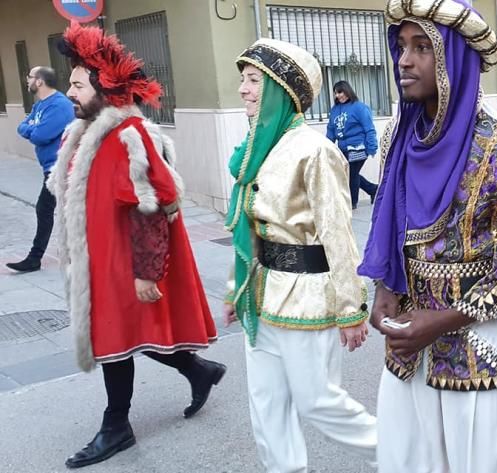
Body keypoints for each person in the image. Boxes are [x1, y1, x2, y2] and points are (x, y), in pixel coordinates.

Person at [362, 1, 497, 472]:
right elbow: (389, 229)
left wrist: (443, 320)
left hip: (478, 356)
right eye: (401, 46)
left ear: (453, 59)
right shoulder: (399, 138)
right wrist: (385, 290)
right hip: (409, 349)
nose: (403, 61)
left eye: (421, 47)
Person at [50, 23, 224, 469]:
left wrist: (147, 270)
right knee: (125, 336)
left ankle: (116, 426)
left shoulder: (128, 134)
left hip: (125, 261)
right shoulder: (85, 132)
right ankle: (198, 369)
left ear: (102, 86)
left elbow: (156, 203)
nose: (69, 91)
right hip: (99, 259)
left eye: (76, 84)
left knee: (115, 339)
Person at [224, 39, 378, 472]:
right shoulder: (258, 148)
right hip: (263, 295)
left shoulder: (314, 150)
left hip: (307, 297)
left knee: (318, 404)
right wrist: (236, 288)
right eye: (243, 80)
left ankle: (406, 456)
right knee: (267, 406)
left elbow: (337, 231)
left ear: (280, 89)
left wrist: (351, 307)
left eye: (254, 81)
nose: (243, 89)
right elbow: (248, 228)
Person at [7, 66, 74, 273]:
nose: (27, 81)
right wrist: (31, 129)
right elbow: (22, 126)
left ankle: (35, 259)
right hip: (50, 168)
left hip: (61, 168)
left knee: (45, 209)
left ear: (39, 81)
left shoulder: (60, 106)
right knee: (65, 211)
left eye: (29, 77)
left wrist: (31, 130)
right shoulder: (40, 106)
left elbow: (39, 136)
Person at [327, 80, 379, 209]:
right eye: (336, 93)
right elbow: (331, 130)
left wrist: (372, 147)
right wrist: (327, 147)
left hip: (358, 147)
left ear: (347, 91)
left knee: (352, 173)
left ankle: (352, 203)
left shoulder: (360, 107)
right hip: (343, 148)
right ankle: (374, 190)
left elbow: (369, 128)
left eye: (340, 92)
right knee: (348, 173)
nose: (338, 95)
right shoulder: (334, 110)